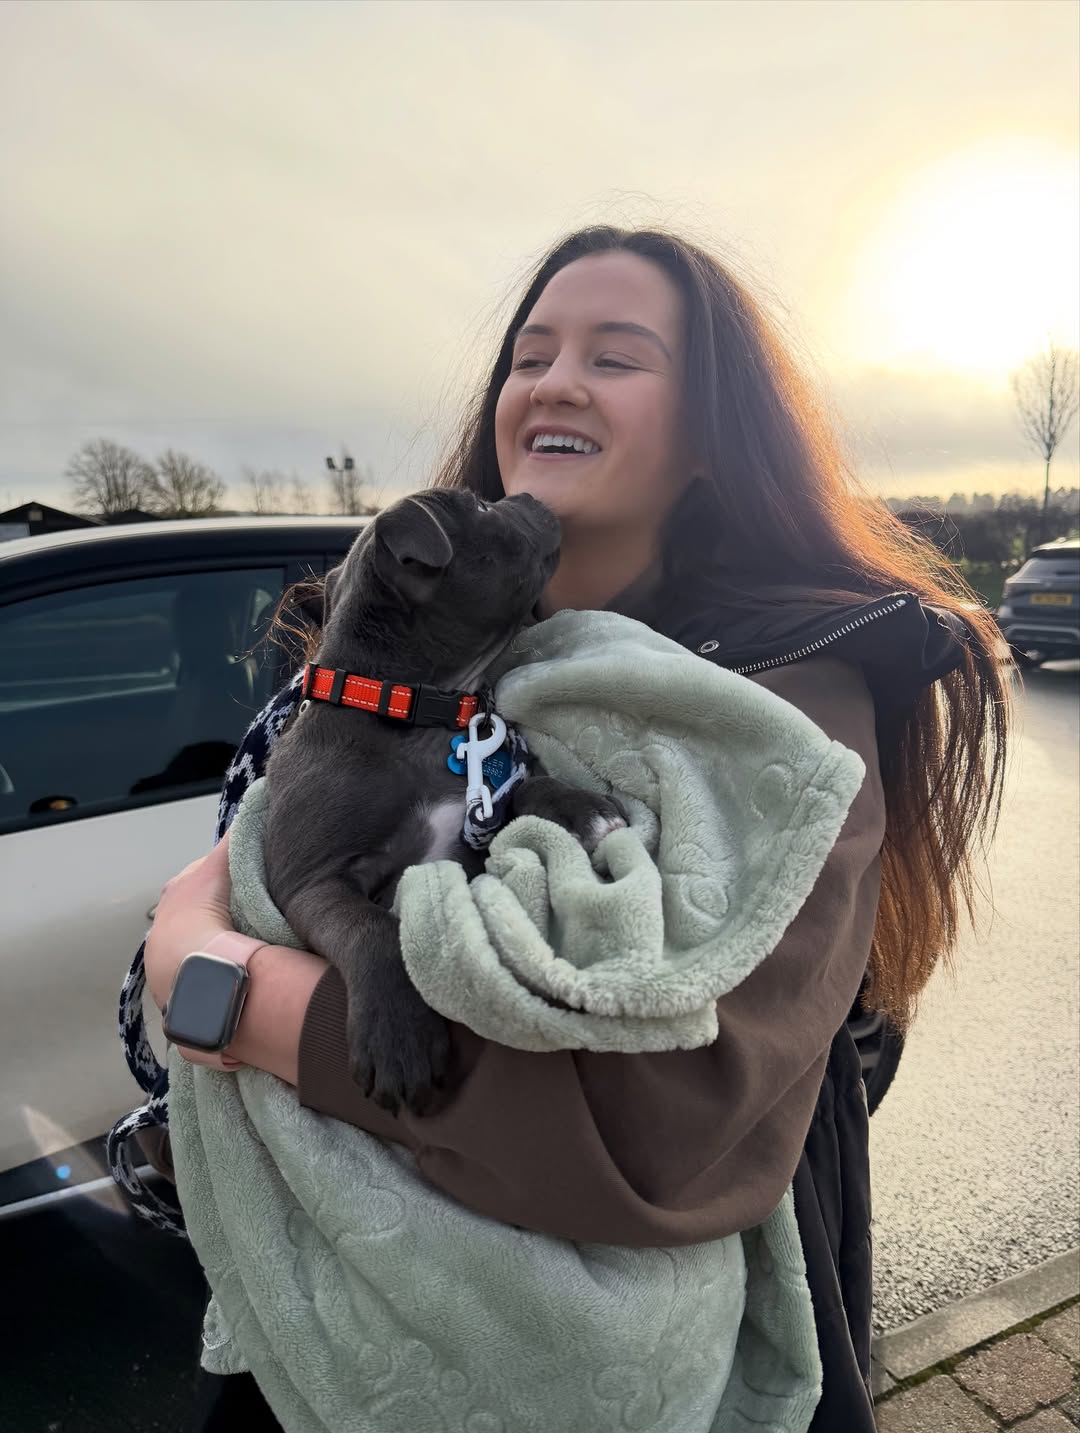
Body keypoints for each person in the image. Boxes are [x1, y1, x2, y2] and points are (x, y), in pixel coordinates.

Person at [139, 226, 1009, 1431]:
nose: (553, 380)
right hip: (331, 1347)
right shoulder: (401, 654)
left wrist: (231, 992)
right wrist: (194, 974)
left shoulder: (791, 700)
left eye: (617, 356)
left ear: (710, 435)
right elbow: (214, 927)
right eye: (530, 352)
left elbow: (651, 1127)